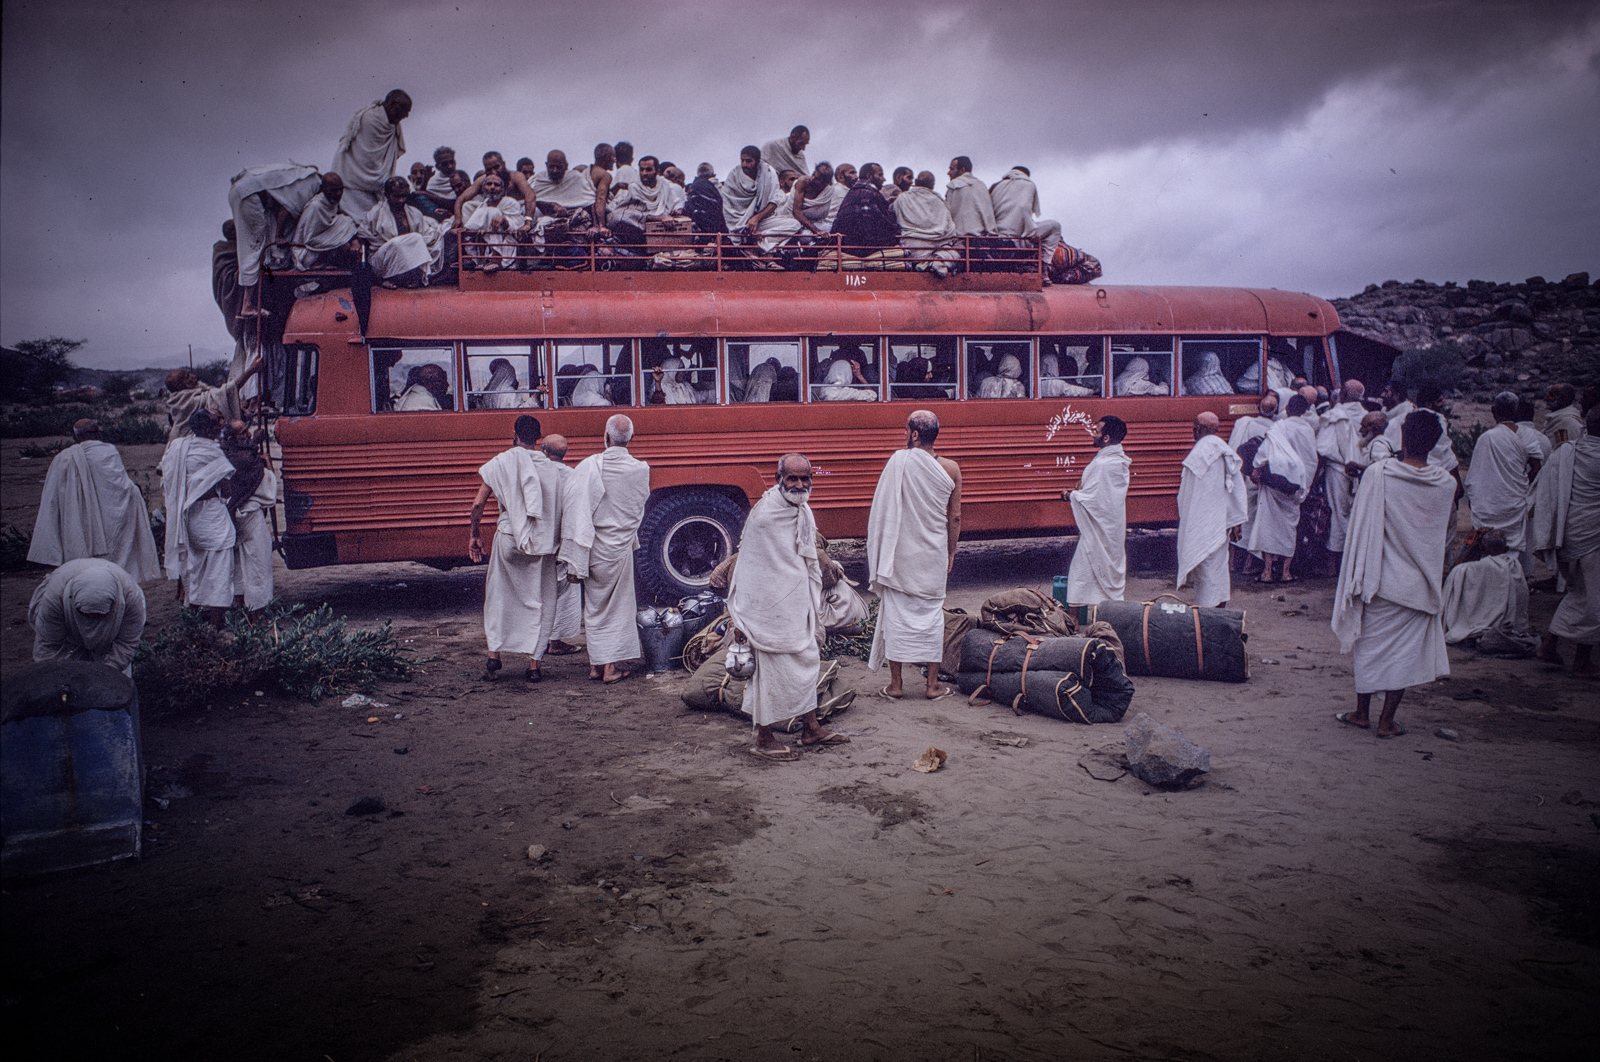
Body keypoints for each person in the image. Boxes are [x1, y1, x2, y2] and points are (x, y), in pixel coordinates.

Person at [1331, 410, 1457, 737]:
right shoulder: (1445, 484)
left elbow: (1360, 528)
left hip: (1379, 579)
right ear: (1435, 443)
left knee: (1368, 647)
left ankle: (1362, 713)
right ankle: (1386, 722)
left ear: (1402, 437)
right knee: (1403, 656)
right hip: (1419, 584)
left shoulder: (1378, 474)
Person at [727, 454, 846, 760]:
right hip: (767, 610)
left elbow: (805, 557)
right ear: (778, 477)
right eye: (792, 478)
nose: (799, 484)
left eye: (805, 479)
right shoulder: (765, 515)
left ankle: (810, 727)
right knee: (769, 673)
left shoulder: (802, 510)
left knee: (807, 662)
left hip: (797, 605)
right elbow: (749, 571)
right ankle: (764, 738)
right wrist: (741, 619)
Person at [867, 411, 961, 699]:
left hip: (902, 554)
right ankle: (932, 686)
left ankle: (896, 686)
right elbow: (954, 517)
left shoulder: (899, 462)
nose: (904, 435)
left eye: (906, 430)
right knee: (932, 616)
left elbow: (884, 509)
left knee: (896, 614)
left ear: (915, 435)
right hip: (933, 553)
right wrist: (951, 552)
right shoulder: (951, 468)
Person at [468, 416, 565, 682]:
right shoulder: (551, 468)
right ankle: (534, 666)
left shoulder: (502, 462)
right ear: (539, 438)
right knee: (542, 600)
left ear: (514, 434)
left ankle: (493, 658)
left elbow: (477, 505)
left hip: (509, 537)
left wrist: (474, 536)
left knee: (499, 596)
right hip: (541, 543)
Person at [559, 414, 650, 683]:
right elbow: (637, 508)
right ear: (631, 439)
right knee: (617, 608)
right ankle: (609, 668)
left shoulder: (589, 466)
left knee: (596, 607)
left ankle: (596, 666)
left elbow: (573, 506)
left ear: (606, 437)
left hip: (593, 547)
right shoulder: (641, 469)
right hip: (619, 548)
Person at [28, 419, 162, 584]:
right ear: (98, 434)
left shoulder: (65, 458)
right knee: (117, 564)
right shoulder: (109, 451)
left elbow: (54, 498)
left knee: (91, 566)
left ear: (76, 437)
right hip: (115, 520)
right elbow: (123, 488)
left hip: (85, 520)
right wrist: (135, 490)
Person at [1531, 405, 1600, 676]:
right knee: (1594, 600)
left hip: (1569, 537)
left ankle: (1549, 645)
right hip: (1593, 537)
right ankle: (1582, 661)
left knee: (1580, 593)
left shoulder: (1569, 451)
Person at [158, 409, 237, 613]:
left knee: (194, 567)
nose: (220, 424)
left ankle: (193, 616)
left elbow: (162, 470)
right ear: (210, 428)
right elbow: (227, 489)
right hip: (211, 515)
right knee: (220, 570)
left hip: (187, 517)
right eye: (216, 422)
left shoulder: (178, 446)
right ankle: (215, 623)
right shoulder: (212, 451)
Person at [227, 161, 323, 317]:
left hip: (242, 190)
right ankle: (248, 305)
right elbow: (285, 210)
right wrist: (278, 237)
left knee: (255, 245)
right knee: (254, 246)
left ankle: (251, 301)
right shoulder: (312, 184)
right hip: (248, 195)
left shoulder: (304, 176)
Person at [28, 558, 147, 677]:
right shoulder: (53, 599)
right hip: (68, 633)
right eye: (85, 615)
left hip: (110, 638)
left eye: (98, 616)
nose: (91, 621)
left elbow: (126, 643)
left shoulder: (131, 599)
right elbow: (48, 648)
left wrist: (107, 671)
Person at [1177, 412, 1249, 608]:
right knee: (1217, 567)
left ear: (1199, 429)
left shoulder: (1199, 454)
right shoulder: (1225, 451)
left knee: (1207, 570)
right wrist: (1236, 521)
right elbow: (1235, 488)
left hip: (1201, 523)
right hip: (1219, 522)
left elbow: (1188, 495)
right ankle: (1216, 609)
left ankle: (1210, 613)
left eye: (1194, 426)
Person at [1247, 393, 1318, 582]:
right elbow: (1312, 460)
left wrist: (1256, 469)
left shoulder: (1279, 426)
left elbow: (1265, 451)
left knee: (1268, 524)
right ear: (1304, 411)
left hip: (1274, 482)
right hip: (1295, 485)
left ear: (1287, 408)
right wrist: (1305, 486)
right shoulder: (1308, 430)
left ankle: (1267, 572)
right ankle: (1286, 572)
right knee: (1289, 526)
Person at [1062, 416, 1131, 606]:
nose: (1093, 434)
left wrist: (1071, 495)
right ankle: (1110, 614)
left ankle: (1073, 620)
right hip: (1111, 529)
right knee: (1093, 571)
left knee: (1079, 573)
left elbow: (1094, 499)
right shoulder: (1117, 461)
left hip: (1098, 531)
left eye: (1097, 431)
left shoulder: (1103, 464)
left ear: (1106, 438)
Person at [1464, 391, 1536, 569]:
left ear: (1493, 411)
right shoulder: (1528, 436)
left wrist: (1477, 499)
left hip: (1490, 505)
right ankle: (1512, 583)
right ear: (1516, 411)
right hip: (1515, 502)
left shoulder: (1486, 438)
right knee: (1511, 550)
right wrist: (1520, 488)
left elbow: (1474, 477)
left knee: (1486, 548)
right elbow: (1536, 468)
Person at [1440, 529, 1535, 653]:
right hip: (1508, 627)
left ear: (1481, 548)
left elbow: (1454, 570)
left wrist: (1473, 547)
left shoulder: (1465, 571)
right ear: (1505, 549)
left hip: (1474, 628)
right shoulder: (1514, 568)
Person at [221, 419, 277, 612]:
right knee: (259, 564)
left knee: (236, 562)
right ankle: (257, 613)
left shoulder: (223, 453)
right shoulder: (246, 459)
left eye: (247, 430)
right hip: (250, 516)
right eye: (243, 432)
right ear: (230, 437)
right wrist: (267, 462)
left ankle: (238, 604)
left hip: (230, 516)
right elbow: (268, 485)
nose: (248, 433)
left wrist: (253, 443)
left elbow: (243, 451)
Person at [330, 90, 411, 216]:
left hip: (376, 188)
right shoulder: (370, 119)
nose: (406, 116)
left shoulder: (394, 125)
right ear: (392, 105)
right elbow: (369, 159)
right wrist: (381, 181)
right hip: (354, 181)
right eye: (404, 110)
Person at [540, 434, 584, 658]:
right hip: (561, 542)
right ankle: (555, 642)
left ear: (544, 451)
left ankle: (537, 641)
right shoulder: (572, 475)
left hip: (537, 542)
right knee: (564, 591)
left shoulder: (535, 472)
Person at [360, 176, 445, 287]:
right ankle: (383, 280)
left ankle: (411, 277)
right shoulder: (376, 213)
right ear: (386, 195)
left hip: (409, 263)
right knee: (402, 242)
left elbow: (425, 238)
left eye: (404, 196)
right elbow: (362, 233)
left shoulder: (414, 213)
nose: (401, 200)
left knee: (425, 238)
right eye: (396, 196)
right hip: (382, 261)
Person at [1317, 380, 1368, 558]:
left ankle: (1333, 562)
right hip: (1360, 471)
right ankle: (1352, 556)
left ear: (1343, 394)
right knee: (1351, 512)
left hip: (1337, 470)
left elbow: (1324, 447)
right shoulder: (1368, 415)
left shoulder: (1335, 415)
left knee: (1336, 513)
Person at [164, 356, 263, 442]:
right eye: (187, 376)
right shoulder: (184, 401)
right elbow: (226, 392)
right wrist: (251, 370)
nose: (193, 376)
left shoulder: (196, 393)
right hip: (193, 444)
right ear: (180, 386)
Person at [723, 146, 797, 253]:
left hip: (762, 220)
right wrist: (745, 225)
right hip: (738, 224)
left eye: (748, 161)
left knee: (794, 224)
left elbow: (774, 201)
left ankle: (759, 243)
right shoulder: (733, 176)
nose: (744, 164)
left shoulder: (769, 173)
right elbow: (728, 207)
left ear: (758, 161)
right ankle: (753, 241)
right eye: (742, 160)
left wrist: (756, 219)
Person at [988, 166, 1062, 263]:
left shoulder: (995, 186)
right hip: (1016, 239)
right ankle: (1044, 267)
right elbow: (1024, 209)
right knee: (1055, 226)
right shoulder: (1028, 185)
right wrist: (1030, 232)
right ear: (1026, 176)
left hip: (993, 237)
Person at [291, 172, 362, 270]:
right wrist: (339, 241)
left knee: (346, 221)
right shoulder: (316, 206)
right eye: (333, 190)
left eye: (340, 190)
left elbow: (338, 225)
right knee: (344, 234)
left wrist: (352, 241)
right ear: (323, 188)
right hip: (307, 252)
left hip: (322, 247)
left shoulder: (332, 203)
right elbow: (310, 240)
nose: (338, 194)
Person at [894, 171, 959, 276]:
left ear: (915, 182)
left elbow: (894, 220)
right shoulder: (940, 202)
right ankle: (936, 262)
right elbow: (951, 231)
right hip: (937, 249)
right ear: (932, 186)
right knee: (956, 252)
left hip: (910, 251)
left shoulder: (902, 198)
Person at [462, 172, 529, 271]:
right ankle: (482, 260)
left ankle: (496, 258)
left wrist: (504, 220)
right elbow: (474, 226)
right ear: (483, 188)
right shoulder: (482, 205)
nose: (492, 187)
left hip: (507, 245)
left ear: (503, 189)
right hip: (485, 247)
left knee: (494, 211)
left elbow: (518, 227)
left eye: (496, 185)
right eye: (489, 184)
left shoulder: (510, 203)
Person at [831, 168, 901, 251]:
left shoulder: (851, 193)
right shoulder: (871, 193)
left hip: (846, 243)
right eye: (880, 175)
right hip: (867, 245)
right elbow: (882, 220)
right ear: (869, 176)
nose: (884, 179)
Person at [532, 150, 598, 219]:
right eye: (551, 167)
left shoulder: (575, 177)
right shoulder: (539, 179)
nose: (555, 170)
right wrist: (553, 205)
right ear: (546, 165)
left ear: (566, 166)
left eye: (558, 167)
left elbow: (590, 201)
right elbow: (533, 201)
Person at [945, 156, 996, 237]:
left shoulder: (954, 185)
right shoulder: (982, 185)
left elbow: (948, 214)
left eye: (952, 169)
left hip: (962, 239)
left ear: (962, 170)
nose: (949, 173)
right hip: (985, 238)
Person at [792, 162, 837, 236]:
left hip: (816, 223)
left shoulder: (829, 189)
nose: (812, 178)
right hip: (795, 222)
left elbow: (821, 216)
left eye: (817, 179)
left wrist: (819, 231)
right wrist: (817, 231)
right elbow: (796, 212)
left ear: (825, 182)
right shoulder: (803, 181)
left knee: (833, 231)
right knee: (806, 236)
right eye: (813, 174)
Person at [685, 163, 727, 234]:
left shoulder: (692, 188)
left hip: (698, 230)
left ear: (696, 177)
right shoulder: (722, 188)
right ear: (714, 175)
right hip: (718, 229)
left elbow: (689, 207)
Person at [1544, 382, 1585, 448]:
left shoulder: (1569, 422)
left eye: (1551, 395)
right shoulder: (1554, 418)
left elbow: (1565, 451)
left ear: (1563, 399)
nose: (1546, 398)